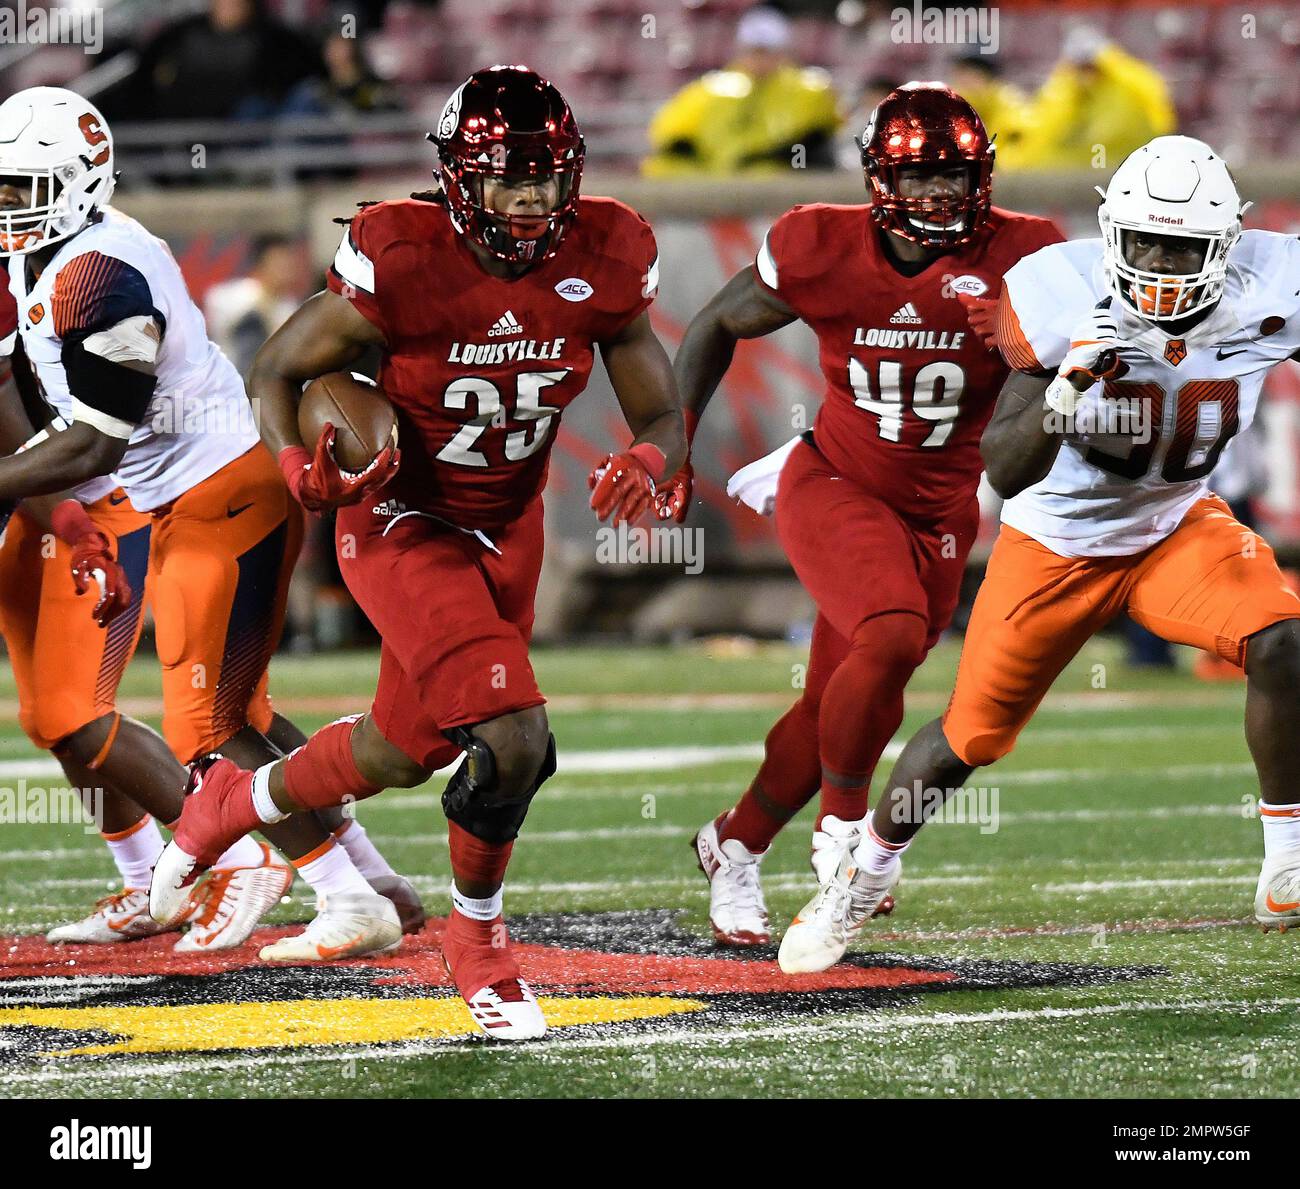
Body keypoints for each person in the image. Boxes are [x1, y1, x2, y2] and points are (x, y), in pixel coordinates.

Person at [150, 66, 686, 1040]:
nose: (527, 201)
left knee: (408, 749)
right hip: (401, 517)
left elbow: (656, 399)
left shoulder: (608, 250)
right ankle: (479, 946)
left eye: (543, 178)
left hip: (508, 526)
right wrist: (293, 463)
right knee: (517, 737)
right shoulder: (400, 254)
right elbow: (279, 365)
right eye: (505, 179)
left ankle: (236, 797)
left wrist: (652, 454)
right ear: (457, 180)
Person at [0, 86, 420, 957]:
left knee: (206, 725)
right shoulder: (55, 255)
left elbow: (89, 447)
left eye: (18, 188)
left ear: (76, 182)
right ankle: (369, 873)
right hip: (199, 494)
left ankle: (340, 894)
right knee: (248, 714)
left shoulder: (99, 275)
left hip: (222, 493)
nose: (4, 205)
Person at [858, 135, 1300, 954]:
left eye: (1185, 246)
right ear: (1111, 233)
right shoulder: (1060, 293)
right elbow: (1006, 469)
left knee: (1283, 640)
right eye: (1147, 241)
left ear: (1228, 245)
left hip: (1174, 525)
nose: (1163, 262)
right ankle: (867, 868)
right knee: (968, 739)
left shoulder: (1277, 285)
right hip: (1056, 542)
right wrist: (1067, 387)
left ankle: (1287, 866)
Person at [657, 83, 1063, 971]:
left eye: (956, 177)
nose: (942, 196)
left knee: (843, 696)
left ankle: (734, 841)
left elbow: (1037, 400)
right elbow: (716, 323)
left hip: (942, 506)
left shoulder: (1031, 255)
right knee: (889, 633)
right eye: (921, 176)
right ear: (879, 178)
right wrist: (674, 446)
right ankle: (844, 828)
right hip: (836, 478)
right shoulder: (819, 242)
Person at [643, 6, 841, 176]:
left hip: (779, 189)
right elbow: (672, 140)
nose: (759, 60)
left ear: (783, 52)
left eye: (767, 51)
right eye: (754, 51)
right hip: (719, 187)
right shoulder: (709, 90)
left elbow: (815, 141)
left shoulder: (809, 90)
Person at [1001, 25, 1175, 171]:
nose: (1086, 76)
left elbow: (1111, 135)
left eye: (1090, 68)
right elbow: (1047, 127)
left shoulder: (1125, 89)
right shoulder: (1068, 91)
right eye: (1080, 69)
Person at [205, 234, 310, 378]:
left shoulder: (291, 306)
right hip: (231, 384)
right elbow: (227, 322)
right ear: (261, 264)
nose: (287, 270)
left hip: (268, 386)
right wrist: (266, 299)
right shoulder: (229, 294)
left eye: (289, 264)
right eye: (280, 263)